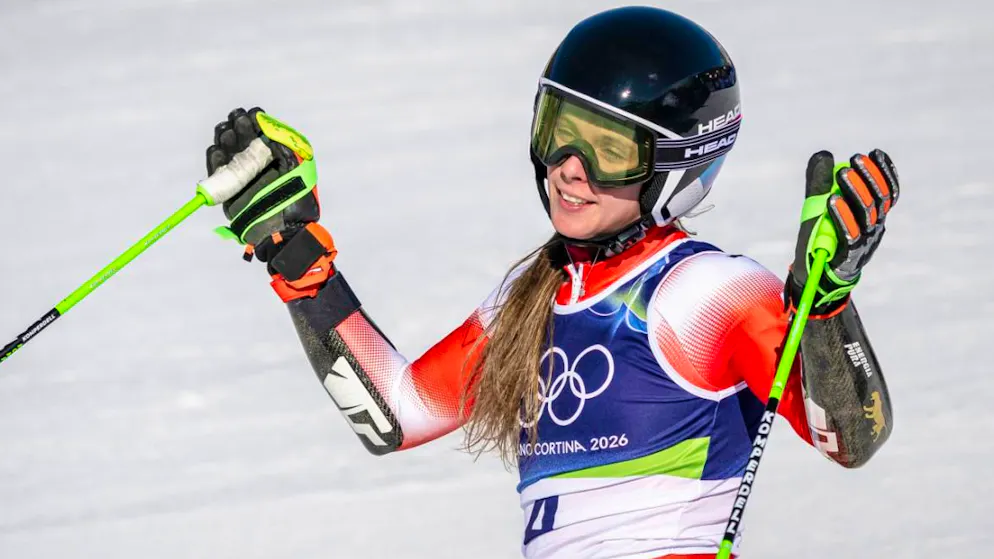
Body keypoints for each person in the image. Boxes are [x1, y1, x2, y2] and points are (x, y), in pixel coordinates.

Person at [203, 6, 897, 558]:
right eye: (560, 129)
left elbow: (852, 439)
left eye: (608, 149)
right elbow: (397, 412)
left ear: (676, 167)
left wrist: (827, 304)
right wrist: (293, 254)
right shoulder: (532, 296)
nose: (569, 166)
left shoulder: (708, 292)